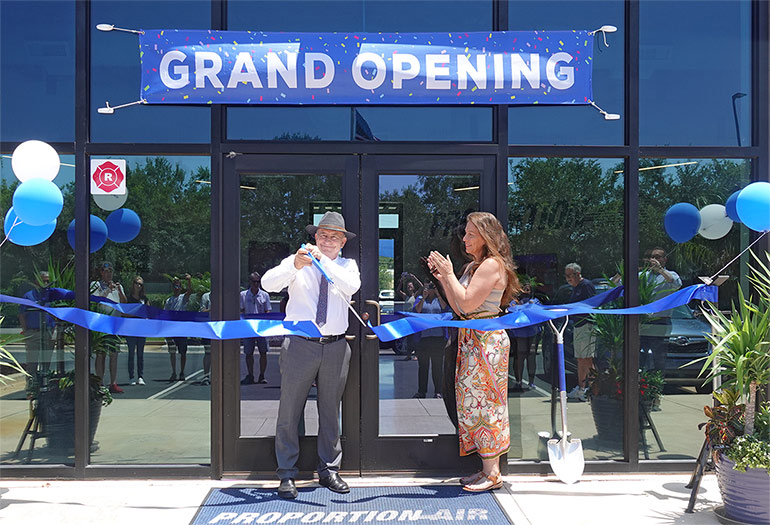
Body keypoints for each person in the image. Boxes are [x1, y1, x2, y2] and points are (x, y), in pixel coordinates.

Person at [262, 211, 360, 500]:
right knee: (290, 410)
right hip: (300, 345)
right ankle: (287, 473)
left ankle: (329, 470)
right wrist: (294, 263)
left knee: (330, 411)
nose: (327, 241)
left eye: (334, 237)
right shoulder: (298, 263)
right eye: (322, 236)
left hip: (335, 346)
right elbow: (269, 284)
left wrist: (323, 260)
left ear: (342, 242)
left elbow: (352, 286)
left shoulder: (347, 265)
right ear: (314, 237)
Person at [427, 211, 520, 493]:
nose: (464, 238)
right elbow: (458, 308)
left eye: (470, 234)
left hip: (486, 342)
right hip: (470, 339)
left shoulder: (492, 265)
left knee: (486, 404)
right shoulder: (472, 268)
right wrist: (443, 278)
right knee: (471, 404)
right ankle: (485, 469)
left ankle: (493, 474)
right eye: (464, 233)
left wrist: (449, 274)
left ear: (486, 237)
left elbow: (468, 305)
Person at [90, 262, 126, 394]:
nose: (108, 273)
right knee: (101, 354)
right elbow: (95, 301)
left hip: (115, 324)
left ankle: (113, 382)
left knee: (114, 354)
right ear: (101, 272)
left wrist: (119, 291)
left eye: (110, 271)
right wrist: (107, 290)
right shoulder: (95, 285)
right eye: (105, 271)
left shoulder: (118, 286)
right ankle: (99, 382)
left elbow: (124, 303)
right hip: (101, 323)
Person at [564, 263, 596, 402]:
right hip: (577, 326)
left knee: (587, 358)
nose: (567, 279)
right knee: (580, 358)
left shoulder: (586, 286)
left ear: (577, 274)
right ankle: (581, 387)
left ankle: (593, 388)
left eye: (569, 275)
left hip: (586, 325)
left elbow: (591, 304)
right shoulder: (575, 288)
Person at [412, 281, 448, 399]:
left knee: (437, 366)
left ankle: (438, 391)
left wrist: (438, 294)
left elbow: (444, 308)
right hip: (424, 338)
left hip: (437, 338)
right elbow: (417, 310)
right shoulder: (420, 299)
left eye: (433, 286)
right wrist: (423, 298)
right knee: (423, 366)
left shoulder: (440, 299)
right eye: (429, 287)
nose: (431, 289)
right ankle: (421, 391)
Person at [18, 272, 54, 381]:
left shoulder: (51, 296)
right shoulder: (29, 296)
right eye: (43, 280)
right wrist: (26, 331)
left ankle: (46, 384)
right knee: (32, 362)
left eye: (48, 281)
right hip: (33, 332)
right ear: (36, 281)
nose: (46, 283)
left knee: (46, 362)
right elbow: (22, 315)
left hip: (48, 332)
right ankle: (31, 387)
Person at [507, 282, 542, 391]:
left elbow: (538, 311)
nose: (526, 291)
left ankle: (531, 381)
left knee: (531, 356)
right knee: (520, 356)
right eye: (524, 289)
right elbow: (511, 311)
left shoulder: (535, 301)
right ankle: (519, 381)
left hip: (533, 332)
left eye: (528, 289)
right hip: (519, 334)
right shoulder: (514, 302)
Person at [240, 272, 272, 385]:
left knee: (263, 352)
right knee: (249, 352)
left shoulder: (265, 295)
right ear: (250, 282)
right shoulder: (243, 295)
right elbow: (241, 310)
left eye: (258, 282)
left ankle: (262, 375)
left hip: (261, 328)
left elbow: (268, 310)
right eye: (254, 282)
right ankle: (250, 374)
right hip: (248, 327)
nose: (256, 284)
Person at [164, 273, 192, 381]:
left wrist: (189, 281)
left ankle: (182, 372)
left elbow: (189, 292)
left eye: (178, 286)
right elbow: (165, 314)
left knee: (183, 352)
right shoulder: (169, 300)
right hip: (172, 329)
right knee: (172, 352)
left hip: (182, 329)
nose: (176, 288)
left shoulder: (183, 298)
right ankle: (174, 372)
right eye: (175, 286)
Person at [125, 276, 147, 386]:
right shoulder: (129, 298)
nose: (138, 286)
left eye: (140, 284)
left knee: (140, 354)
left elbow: (148, 312)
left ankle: (140, 376)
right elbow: (125, 313)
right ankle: (131, 376)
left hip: (141, 329)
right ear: (133, 284)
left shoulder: (144, 299)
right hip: (131, 329)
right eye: (136, 283)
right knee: (131, 353)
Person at [199, 290, 212, 386]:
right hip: (208, 328)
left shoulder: (224, 296)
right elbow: (202, 311)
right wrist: (211, 309)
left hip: (221, 327)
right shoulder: (206, 296)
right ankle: (206, 376)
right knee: (208, 352)